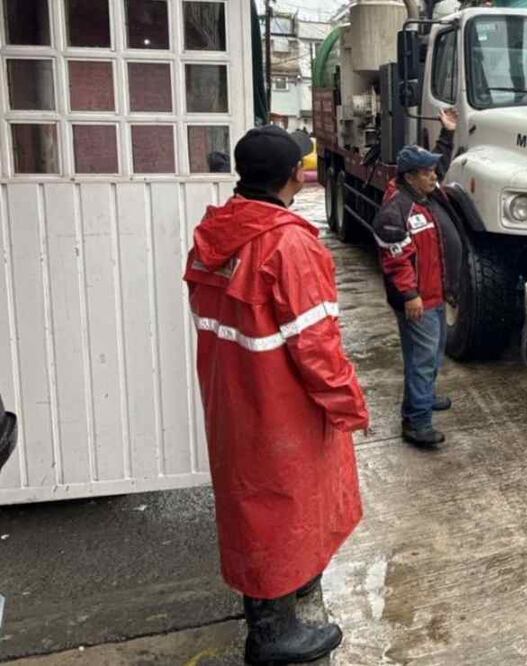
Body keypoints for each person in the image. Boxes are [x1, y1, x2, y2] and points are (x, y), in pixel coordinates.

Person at [185, 125, 369, 665]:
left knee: (251, 501)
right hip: (281, 405)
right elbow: (317, 347)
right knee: (282, 505)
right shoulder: (288, 244)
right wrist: (350, 405)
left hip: (231, 392)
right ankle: (271, 635)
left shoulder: (215, 231)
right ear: (297, 175)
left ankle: (283, 599)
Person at [375, 108, 462, 448]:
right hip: (418, 300)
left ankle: (423, 397)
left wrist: (447, 133)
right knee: (422, 358)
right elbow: (396, 261)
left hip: (434, 295)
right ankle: (416, 421)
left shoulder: (425, 193)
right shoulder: (396, 211)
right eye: (426, 173)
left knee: (432, 353)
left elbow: (439, 166)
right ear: (410, 177)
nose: (434, 177)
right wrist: (410, 295)